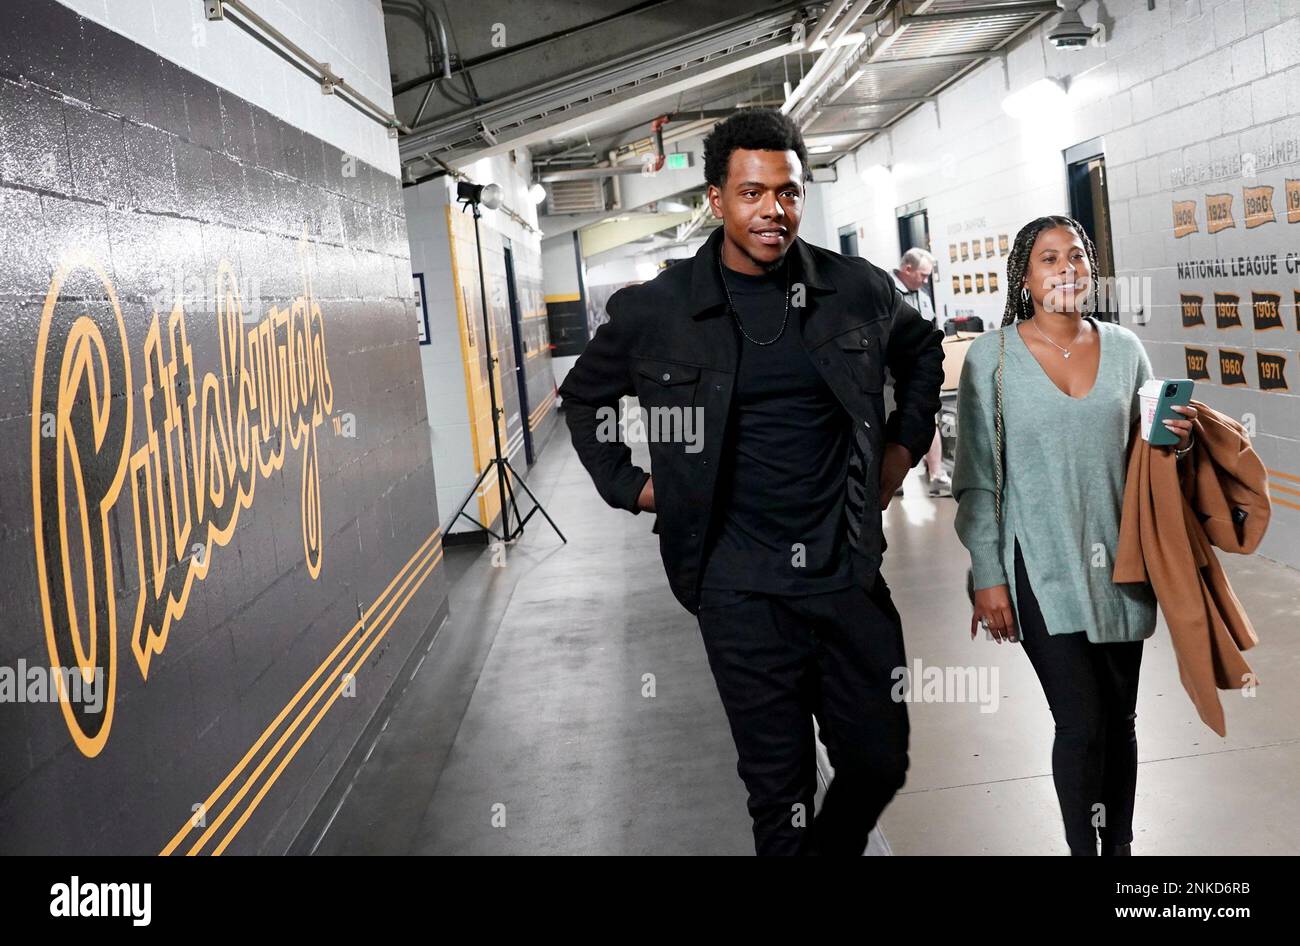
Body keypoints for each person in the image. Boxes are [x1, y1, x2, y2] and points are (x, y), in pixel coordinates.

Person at [558, 108, 944, 855]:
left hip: (844, 571)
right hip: (736, 587)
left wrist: (900, 453)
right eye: (753, 193)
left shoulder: (853, 289)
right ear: (716, 198)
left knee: (879, 759)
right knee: (780, 791)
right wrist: (638, 487)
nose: (774, 210)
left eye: (789, 193)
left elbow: (921, 348)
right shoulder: (660, 311)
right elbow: (586, 397)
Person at [951, 214, 1197, 856]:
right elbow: (977, 477)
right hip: (1037, 564)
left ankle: (1119, 850)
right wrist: (987, 574)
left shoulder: (1124, 349)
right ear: (1026, 279)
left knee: (1120, 720)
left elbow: (1152, 456)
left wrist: (1181, 435)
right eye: (1049, 260)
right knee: (1082, 721)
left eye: (1077, 257)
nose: (1067, 270)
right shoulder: (993, 357)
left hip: (1122, 564)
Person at [891, 249, 950, 496]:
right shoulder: (885, 290)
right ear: (907, 269)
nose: (925, 281)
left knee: (928, 416)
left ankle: (936, 474)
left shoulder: (922, 296)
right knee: (891, 423)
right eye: (923, 275)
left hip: (918, 371)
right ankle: (893, 477)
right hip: (889, 373)